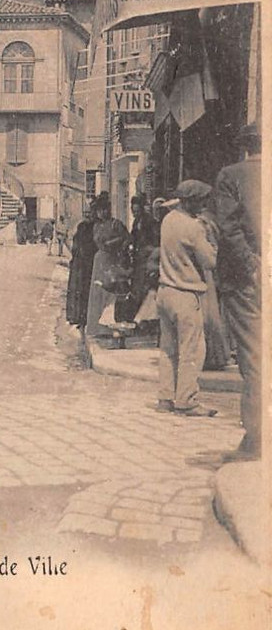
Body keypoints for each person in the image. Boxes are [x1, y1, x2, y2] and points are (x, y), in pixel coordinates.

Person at [214, 123, 262, 460]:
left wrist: (251, 265)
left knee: (254, 356)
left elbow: (228, 227)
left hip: (246, 280)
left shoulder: (231, 175)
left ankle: (256, 438)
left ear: (244, 147)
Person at [156, 180, 218, 416]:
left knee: (167, 349)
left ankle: (165, 398)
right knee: (191, 350)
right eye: (201, 201)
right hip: (186, 294)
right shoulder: (194, 227)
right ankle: (187, 400)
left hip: (165, 291)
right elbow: (209, 261)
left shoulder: (169, 219)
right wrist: (210, 236)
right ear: (191, 201)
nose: (203, 205)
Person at [85, 194, 130, 337]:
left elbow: (127, 239)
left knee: (110, 292)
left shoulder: (116, 224)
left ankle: (109, 326)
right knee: (98, 291)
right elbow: (96, 242)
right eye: (100, 210)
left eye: (105, 209)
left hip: (113, 260)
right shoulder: (97, 226)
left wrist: (115, 245)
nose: (103, 212)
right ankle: (97, 327)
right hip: (99, 261)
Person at [118, 195, 159, 323]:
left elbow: (155, 241)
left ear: (142, 209)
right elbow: (133, 237)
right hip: (138, 260)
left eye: (137, 211)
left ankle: (145, 320)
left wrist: (147, 249)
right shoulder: (136, 222)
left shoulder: (150, 221)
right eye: (133, 211)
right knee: (137, 289)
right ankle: (138, 319)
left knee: (145, 289)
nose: (134, 213)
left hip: (148, 259)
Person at [65, 203, 97, 329]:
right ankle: (79, 317)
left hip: (90, 262)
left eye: (90, 213)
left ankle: (86, 317)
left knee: (88, 290)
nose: (88, 216)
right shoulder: (82, 226)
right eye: (86, 213)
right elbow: (75, 244)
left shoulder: (95, 227)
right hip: (80, 262)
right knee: (79, 289)